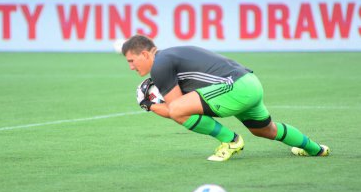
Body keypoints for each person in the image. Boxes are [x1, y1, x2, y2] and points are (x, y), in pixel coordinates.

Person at [122, 34, 330, 161]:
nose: (131, 67)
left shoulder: (159, 65)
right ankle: (316, 149)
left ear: (146, 54)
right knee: (266, 130)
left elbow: (176, 107)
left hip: (234, 88)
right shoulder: (172, 54)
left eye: (132, 60)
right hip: (250, 83)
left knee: (177, 110)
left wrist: (150, 105)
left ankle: (230, 141)